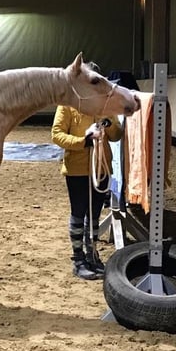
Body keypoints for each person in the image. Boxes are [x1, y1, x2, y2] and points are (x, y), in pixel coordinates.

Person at [52, 106, 123, 280]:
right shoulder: (67, 106)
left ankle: (92, 253)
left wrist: (108, 122)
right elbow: (57, 134)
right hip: (77, 170)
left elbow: (117, 135)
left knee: (94, 215)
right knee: (78, 212)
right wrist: (84, 141)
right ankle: (78, 259)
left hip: (101, 168)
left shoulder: (105, 105)